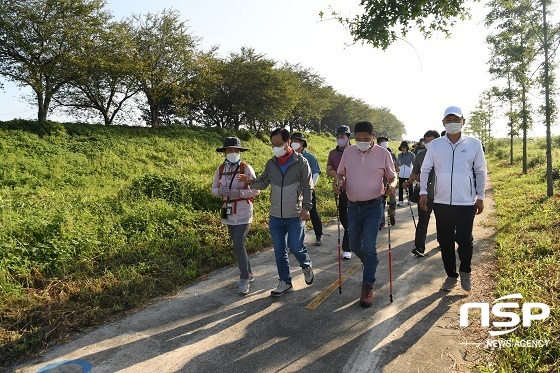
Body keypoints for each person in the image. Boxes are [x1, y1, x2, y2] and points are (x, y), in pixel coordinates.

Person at [238, 128, 315, 297]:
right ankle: (285, 281)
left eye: (279, 144)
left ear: (289, 142)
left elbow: (308, 186)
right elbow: (264, 182)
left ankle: (306, 265)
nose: (276, 148)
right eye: (273, 145)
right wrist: (250, 181)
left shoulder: (301, 162)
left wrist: (306, 208)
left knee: (295, 247)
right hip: (275, 215)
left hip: (295, 214)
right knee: (279, 251)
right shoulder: (271, 163)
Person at [419, 106, 487, 292]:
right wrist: (423, 192)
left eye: (456, 119)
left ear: (463, 121)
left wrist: (480, 197)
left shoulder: (474, 144)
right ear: (443, 123)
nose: (452, 123)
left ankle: (465, 271)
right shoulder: (435, 145)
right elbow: (425, 169)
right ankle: (451, 275)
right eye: (448, 120)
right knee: (444, 240)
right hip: (441, 202)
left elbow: (480, 171)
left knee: (465, 239)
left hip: (465, 202)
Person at [334, 121, 397, 307]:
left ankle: (368, 285)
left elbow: (392, 178)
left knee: (369, 246)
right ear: (354, 137)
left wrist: (392, 187)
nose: (362, 142)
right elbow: (340, 174)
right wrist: (339, 182)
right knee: (354, 245)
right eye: (358, 139)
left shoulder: (383, 153)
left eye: (366, 139)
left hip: (374, 206)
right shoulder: (348, 152)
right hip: (353, 206)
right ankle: (370, 261)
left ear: (373, 136)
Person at [211, 137, 261, 295]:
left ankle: (244, 278)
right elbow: (213, 189)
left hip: (243, 211)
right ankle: (250, 273)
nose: (233, 153)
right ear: (224, 152)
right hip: (227, 210)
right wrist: (221, 191)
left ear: (240, 152)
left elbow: (257, 189)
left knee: (238, 244)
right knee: (238, 244)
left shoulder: (246, 168)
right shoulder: (220, 170)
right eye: (230, 150)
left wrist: (239, 192)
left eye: (236, 150)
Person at [404, 130, 440, 257]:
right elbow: (415, 172)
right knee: (423, 221)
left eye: (431, 140)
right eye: (426, 140)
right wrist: (408, 182)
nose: (428, 143)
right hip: (425, 194)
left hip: (442, 195)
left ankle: (443, 241)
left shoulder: (445, 155)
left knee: (442, 221)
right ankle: (419, 247)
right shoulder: (420, 156)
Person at [291, 132, 323, 246]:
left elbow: (316, 173)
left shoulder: (310, 157)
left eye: (297, 141)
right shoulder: (289, 157)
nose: (294, 143)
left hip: (308, 190)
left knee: (312, 212)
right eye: (292, 141)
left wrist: (310, 187)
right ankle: (296, 241)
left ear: (302, 143)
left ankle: (318, 235)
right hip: (294, 192)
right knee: (295, 215)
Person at [326, 125, 352, 259]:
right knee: (343, 217)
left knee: (351, 217)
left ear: (348, 137)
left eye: (342, 137)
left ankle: (347, 247)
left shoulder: (356, 150)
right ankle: (353, 233)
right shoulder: (333, 153)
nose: (340, 139)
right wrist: (334, 175)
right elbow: (328, 170)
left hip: (356, 189)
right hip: (341, 189)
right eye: (338, 137)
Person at [377, 136, 398, 229]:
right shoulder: (376, 153)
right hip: (380, 182)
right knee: (381, 203)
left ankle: (392, 215)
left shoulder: (391, 154)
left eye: (385, 141)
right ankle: (381, 222)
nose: (384, 143)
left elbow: (397, 167)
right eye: (382, 142)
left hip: (390, 181)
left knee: (392, 202)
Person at [397, 141, 415, 206]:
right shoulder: (399, 155)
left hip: (409, 173)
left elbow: (414, 164)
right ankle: (400, 200)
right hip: (401, 173)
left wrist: (414, 173)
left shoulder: (412, 155)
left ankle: (411, 200)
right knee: (400, 188)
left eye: (404, 147)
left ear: (407, 147)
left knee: (410, 187)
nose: (403, 149)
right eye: (402, 147)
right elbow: (398, 164)